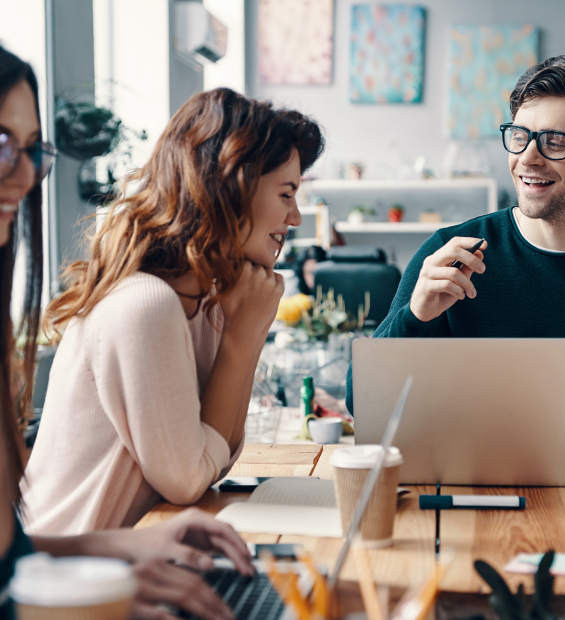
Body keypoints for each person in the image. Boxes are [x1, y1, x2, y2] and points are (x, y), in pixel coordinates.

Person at [0, 45, 256, 620]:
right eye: (0, 145)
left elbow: (8, 561)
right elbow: (192, 474)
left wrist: (128, 551)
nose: (21, 174)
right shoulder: (147, 302)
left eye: (31, 150)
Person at [22, 87, 324, 535]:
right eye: (286, 194)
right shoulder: (147, 304)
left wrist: (243, 329)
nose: (296, 217)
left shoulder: (205, 305)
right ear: (234, 187)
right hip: (67, 585)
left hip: (131, 560)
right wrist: (244, 338)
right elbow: (188, 478)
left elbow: (216, 460)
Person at [346, 55, 565, 413]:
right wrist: (416, 317)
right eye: (520, 136)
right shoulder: (452, 255)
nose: (528, 157)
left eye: (554, 141)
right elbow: (363, 403)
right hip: (474, 470)